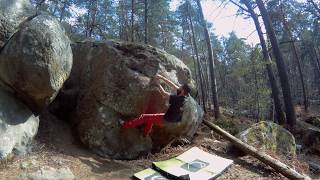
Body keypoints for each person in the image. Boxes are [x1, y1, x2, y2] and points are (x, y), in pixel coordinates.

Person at [121, 74, 191, 136]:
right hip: (173, 119)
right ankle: (145, 133)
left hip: (167, 118)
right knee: (150, 119)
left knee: (144, 117)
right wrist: (162, 78)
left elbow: (164, 94)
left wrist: (158, 84)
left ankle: (125, 125)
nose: (179, 87)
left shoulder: (178, 99)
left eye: (181, 87)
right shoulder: (185, 97)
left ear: (183, 91)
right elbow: (173, 86)